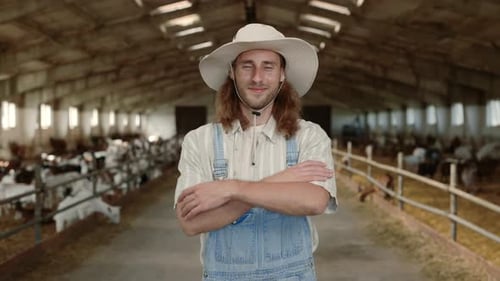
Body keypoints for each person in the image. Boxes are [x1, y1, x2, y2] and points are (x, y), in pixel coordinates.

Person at [174, 23, 337, 281]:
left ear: (282, 74)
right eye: (247, 66)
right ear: (232, 72)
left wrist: (230, 189)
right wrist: (281, 180)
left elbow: (314, 201)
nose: (258, 77)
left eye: (268, 66)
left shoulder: (309, 135)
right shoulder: (199, 141)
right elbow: (191, 223)